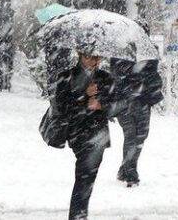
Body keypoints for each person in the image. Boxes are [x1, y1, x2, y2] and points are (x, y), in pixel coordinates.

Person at [53, 51, 126, 220]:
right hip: (77, 132)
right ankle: (78, 215)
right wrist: (84, 95)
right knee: (84, 176)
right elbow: (61, 106)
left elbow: (120, 104)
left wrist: (101, 105)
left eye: (98, 57)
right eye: (89, 57)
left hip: (97, 134)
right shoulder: (67, 77)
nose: (94, 61)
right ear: (80, 55)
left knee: (86, 177)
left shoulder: (105, 78)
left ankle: (79, 214)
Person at [113, 58, 164, 187]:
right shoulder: (121, 53)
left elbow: (154, 77)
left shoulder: (148, 53)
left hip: (143, 102)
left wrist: (146, 81)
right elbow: (116, 79)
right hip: (125, 103)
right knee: (131, 135)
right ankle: (130, 172)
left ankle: (125, 168)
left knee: (141, 136)